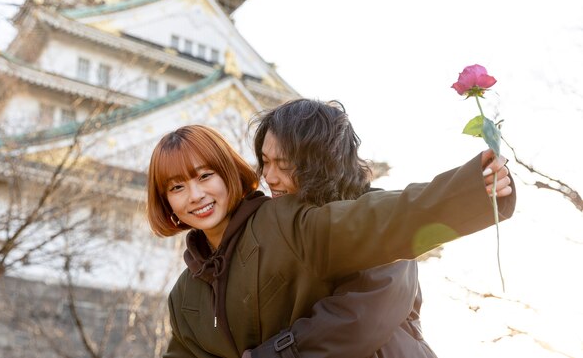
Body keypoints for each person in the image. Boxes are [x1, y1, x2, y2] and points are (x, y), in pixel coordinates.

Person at [146, 124, 515, 358]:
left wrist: (471, 190)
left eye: (205, 176)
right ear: (168, 203)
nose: (194, 195)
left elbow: (375, 220)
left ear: (228, 174)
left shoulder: (282, 220)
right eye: (177, 188)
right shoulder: (183, 296)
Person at [246, 98, 437, 358]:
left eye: (284, 164)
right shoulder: (282, 224)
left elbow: (358, 323)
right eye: (265, 162)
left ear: (322, 164)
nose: (269, 176)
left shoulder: (379, 217)